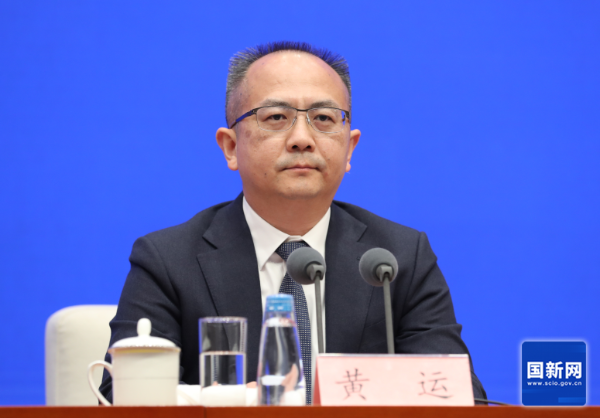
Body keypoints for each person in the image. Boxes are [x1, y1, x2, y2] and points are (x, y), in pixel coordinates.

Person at [100, 41, 486, 403]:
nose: (302, 138)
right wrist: (238, 400)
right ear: (231, 147)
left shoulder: (397, 257)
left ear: (349, 148)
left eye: (323, 118)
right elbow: (119, 396)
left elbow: (458, 394)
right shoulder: (169, 260)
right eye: (276, 117)